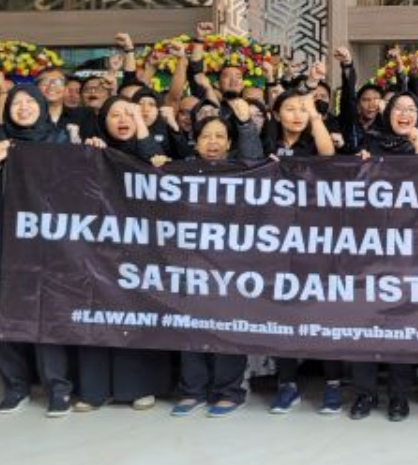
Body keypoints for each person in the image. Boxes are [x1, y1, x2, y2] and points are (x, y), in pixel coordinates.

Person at [0, 85, 74, 417]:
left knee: (47, 316)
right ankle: (15, 386)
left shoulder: (59, 141)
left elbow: (73, 190)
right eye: (16, 103)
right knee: (2, 317)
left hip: (44, 245)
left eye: (30, 102)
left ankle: (57, 387)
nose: (24, 108)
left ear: (42, 106)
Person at [73, 97, 174, 413]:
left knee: (135, 315)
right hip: (98, 249)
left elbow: (158, 167)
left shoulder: (149, 152)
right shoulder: (95, 150)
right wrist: (87, 152)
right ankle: (93, 390)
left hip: (141, 250)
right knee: (98, 315)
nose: (122, 119)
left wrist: (142, 127)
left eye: (129, 113)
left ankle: (139, 387)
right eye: (114, 114)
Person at [171, 101, 265, 418]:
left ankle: (229, 390)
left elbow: (253, 154)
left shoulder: (242, 171)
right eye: (206, 136)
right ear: (195, 142)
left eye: (219, 136)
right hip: (189, 263)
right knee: (190, 326)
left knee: (227, 326)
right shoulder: (178, 171)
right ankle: (192, 389)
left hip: (231, 266)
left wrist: (244, 123)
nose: (213, 142)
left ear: (228, 143)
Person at [260, 89, 342, 415]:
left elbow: (328, 153)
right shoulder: (267, 145)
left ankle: (333, 385)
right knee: (285, 312)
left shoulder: (313, 142)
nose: (296, 115)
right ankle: (287, 384)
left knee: (323, 312)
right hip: (276, 242)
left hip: (316, 241)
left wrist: (315, 112)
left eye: (302, 110)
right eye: (290, 109)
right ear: (277, 114)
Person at [351, 91, 418, 421]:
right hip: (369, 247)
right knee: (364, 321)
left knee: (400, 323)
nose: (405, 114)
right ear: (387, 112)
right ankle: (364, 393)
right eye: (399, 108)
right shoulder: (370, 143)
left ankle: (399, 396)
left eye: (412, 109)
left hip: (408, 249)